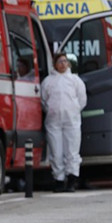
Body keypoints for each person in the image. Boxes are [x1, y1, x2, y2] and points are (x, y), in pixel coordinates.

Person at [41, 53, 87, 192]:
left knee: (72, 151)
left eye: (65, 61)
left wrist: (73, 110)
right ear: (55, 64)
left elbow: (82, 99)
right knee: (56, 152)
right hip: (53, 121)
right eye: (60, 61)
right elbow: (43, 101)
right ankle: (59, 180)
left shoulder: (75, 80)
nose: (63, 64)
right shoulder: (48, 81)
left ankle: (72, 179)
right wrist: (51, 110)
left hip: (71, 121)